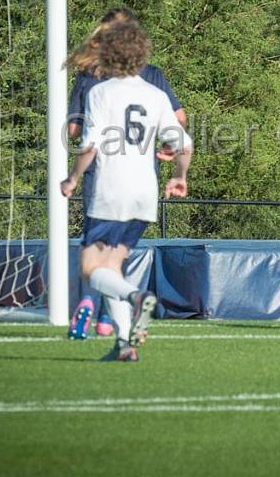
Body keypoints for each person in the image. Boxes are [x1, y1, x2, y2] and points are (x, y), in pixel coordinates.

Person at [60, 21, 193, 362]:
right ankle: (123, 344)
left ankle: (136, 298)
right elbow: (184, 143)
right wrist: (179, 176)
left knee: (91, 268)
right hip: (144, 193)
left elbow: (89, 145)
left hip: (110, 191)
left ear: (107, 55)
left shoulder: (100, 93)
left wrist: (73, 178)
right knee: (112, 266)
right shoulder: (155, 94)